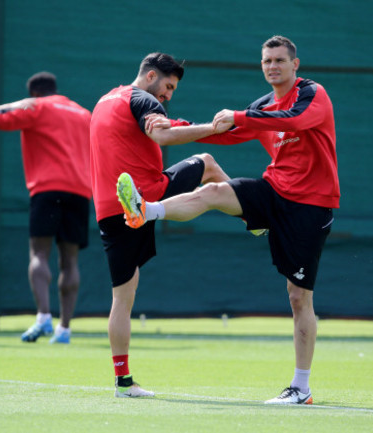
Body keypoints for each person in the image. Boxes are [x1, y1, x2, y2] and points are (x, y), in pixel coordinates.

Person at [117, 36, 340, 405]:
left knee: (299, 297)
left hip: (310, 204)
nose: (273, 67)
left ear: (295, 65)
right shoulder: (263, 104)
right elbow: (229, 132)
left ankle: (301, 388)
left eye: (280, 61)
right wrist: (176, 126)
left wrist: (238, 115)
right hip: (273, 190)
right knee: (213, 192)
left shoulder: (312, 93)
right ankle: (147, 210)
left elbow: (295, 120)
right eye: (267, 60)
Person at [90, 52, 232, 398]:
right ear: (151, 75)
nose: (168, 95)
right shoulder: (143, 98)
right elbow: (162, 136)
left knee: (122, 298)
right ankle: (254, 216)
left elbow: (152, 131)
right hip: (145, 192)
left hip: (108, 209)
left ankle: (123, 381)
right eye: (168, 86)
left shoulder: (108, 99)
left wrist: (184, 126)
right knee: (209, 164)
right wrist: (213, 128)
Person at [0, 72, 92, 344]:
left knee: (39, 252)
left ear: (34, 93)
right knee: (70, 261)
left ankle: (43, 317)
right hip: (81, 192)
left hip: (47, 189)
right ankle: (65, 330)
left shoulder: (35, 107)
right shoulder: (84, 113)